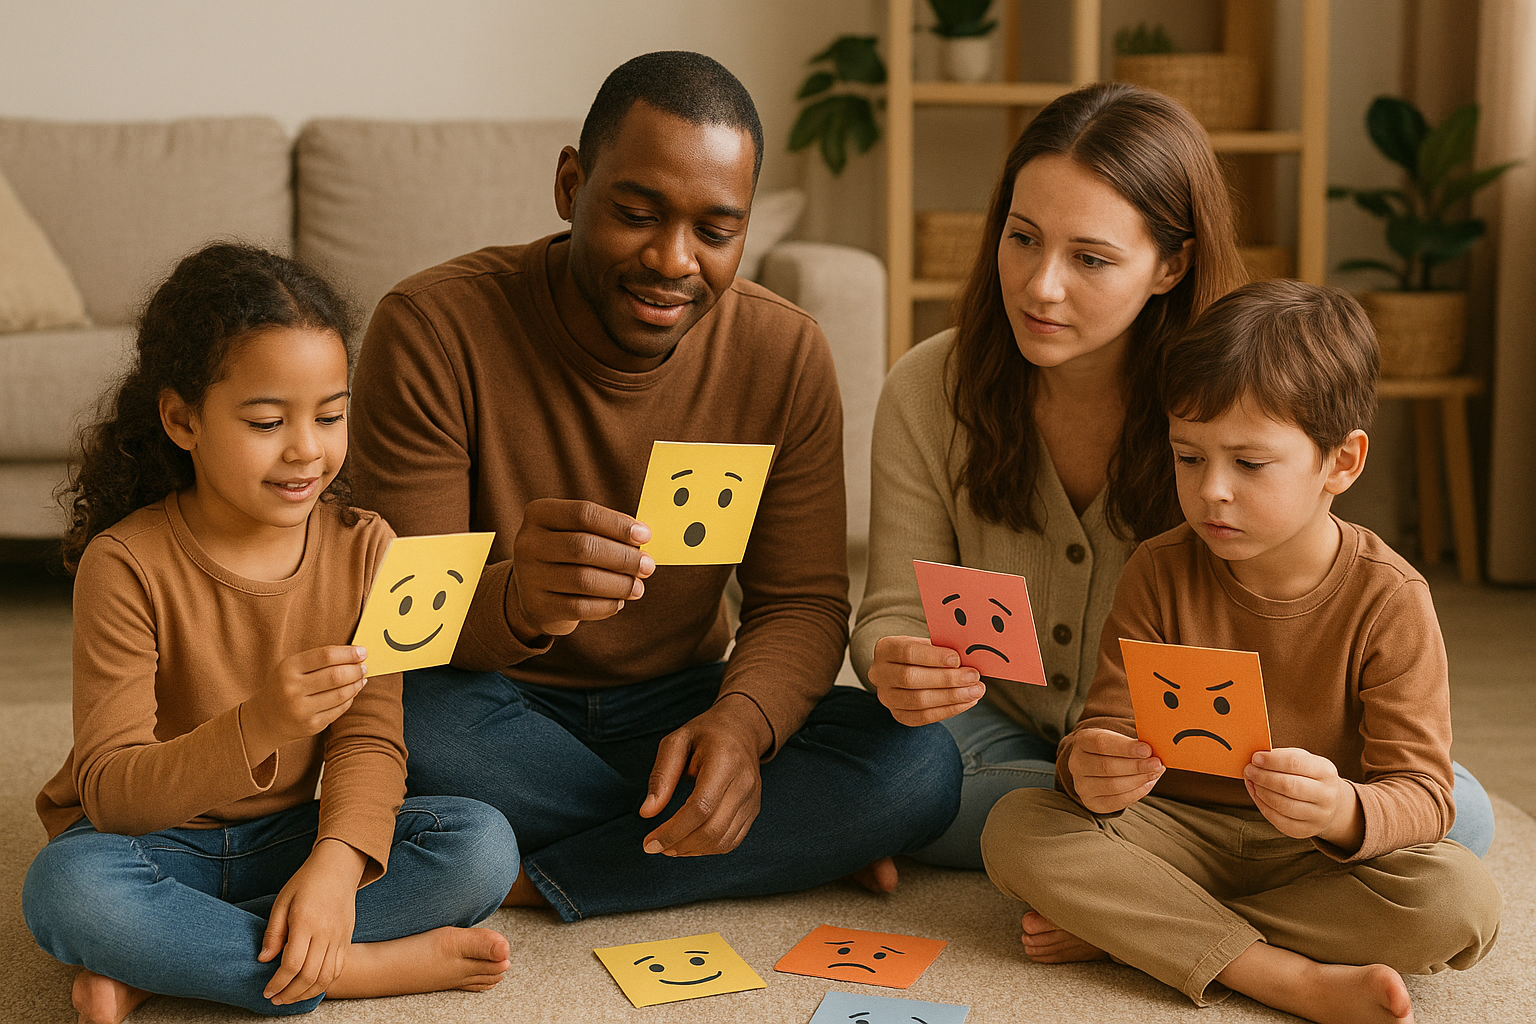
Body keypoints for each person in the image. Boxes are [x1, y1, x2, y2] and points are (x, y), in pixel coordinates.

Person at [347, 51, 960, 923]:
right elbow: (414, 628)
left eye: (716, 233)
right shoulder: (433, 328)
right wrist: (520, 598)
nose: (673, 261)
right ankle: (750, 838)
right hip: (495, 704)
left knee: (921, 767)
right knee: (400, 714)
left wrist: (743, 730)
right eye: (636, 214)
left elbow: (801, 604)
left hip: (684, 700)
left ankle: (537, 868)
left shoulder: (783, 352)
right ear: (570, 185)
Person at [851, 81, 1496, 876]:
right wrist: (897, 660)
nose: (1040, 285)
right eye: (1022, 238)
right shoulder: (928, 385)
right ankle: (1201, 865)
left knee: (1461, 815)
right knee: (895, 769)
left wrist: (1320, 790)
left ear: (1171, 264)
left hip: (1195, 768)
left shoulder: (1224, 405)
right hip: (997, 729)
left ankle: (1123, 860)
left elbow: (1299, 610)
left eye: (1090, 258)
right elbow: (889, 609)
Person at [22, 244, 520, 1023]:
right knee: (66, 890)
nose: (306, 450)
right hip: (152, 842)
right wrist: (260, 726)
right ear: (182, 418)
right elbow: (112, 795)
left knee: (481, 844)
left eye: (330, 415)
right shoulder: (124, 564)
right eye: (266, 421)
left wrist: (332, 865)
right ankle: (351, 969)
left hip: (291, 836)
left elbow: (369, 738)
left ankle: (170, 963)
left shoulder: (366, 548)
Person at [980, 280, 1501, 1024]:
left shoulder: (1391, 598)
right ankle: (1281, 976)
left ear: (1341, 463)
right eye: (1188, 457)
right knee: (1018, 829)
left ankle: (1147, 930)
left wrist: (1342, 809)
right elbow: (1101, 736)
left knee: (1460, 902)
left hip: (1310, 854)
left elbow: (1423, 793)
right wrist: (1091, 768)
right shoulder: (1158, 569)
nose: (1211, 491)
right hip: (1171, 830)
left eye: (1250, 465)